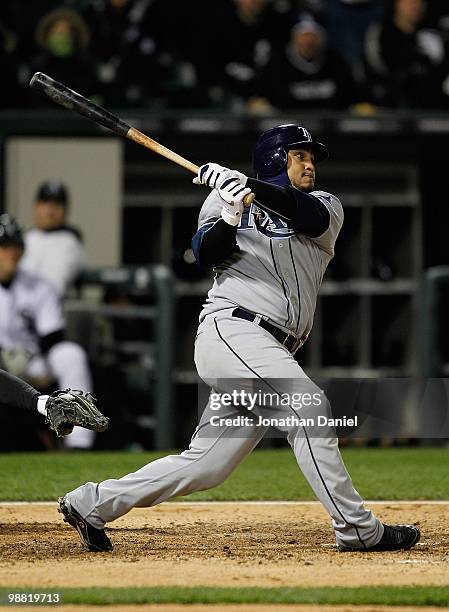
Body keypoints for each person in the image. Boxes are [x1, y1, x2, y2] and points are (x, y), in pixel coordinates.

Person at [58, 124, 420, 554]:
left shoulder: (325, 205)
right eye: (299, 155)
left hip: (269, 349)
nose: (310, 165)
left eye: (311, 158)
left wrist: (248, 185)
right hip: (232, 332)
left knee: (208, 465)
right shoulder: (221, 198)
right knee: (309, 409)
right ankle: (358, 530)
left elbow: (306, 216)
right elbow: (205, 254)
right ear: (274, 159)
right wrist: (229, 213)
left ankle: (92, 502)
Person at [0, 213, 94, 449]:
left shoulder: (37, 285)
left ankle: (79, 443)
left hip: (32, 360)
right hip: (2, 361)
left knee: (70, 354)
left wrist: (38, 371)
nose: (11, 252)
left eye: (15, 246)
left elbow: (53, 337)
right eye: (4, 246)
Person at [253, 15, 359, 110]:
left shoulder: (336, 62)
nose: (308, 41)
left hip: (330, 126)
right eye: (303, 36)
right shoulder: (278, 63)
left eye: (313, 36)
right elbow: (263, 96)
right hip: (287, 125)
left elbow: (352, 96)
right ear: (294, 38)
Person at [362, 0, 448, 108]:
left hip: (431, 108)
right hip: (390, 106)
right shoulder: (382, 32)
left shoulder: (433, 34)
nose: (415, 6)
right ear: (396, 4)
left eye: (420, 2)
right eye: (409, 1)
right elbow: (378, 70)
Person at [20, 181, 86, 298]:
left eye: (57, 203)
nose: (51, 208)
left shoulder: (70, 241)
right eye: (46, 202)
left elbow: (55, 286)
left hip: (51, 308)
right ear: (36, 206)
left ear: (65, 210)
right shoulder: (26, 238)